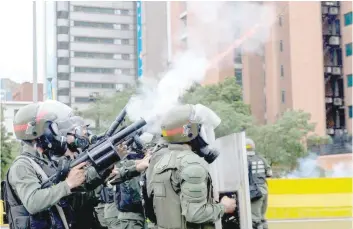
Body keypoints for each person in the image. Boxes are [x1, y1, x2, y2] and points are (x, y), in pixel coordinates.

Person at [146, 104, 236, 229]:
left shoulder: (162, 160)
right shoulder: (192, 164)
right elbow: (195, 214)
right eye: (201, 129)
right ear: (189, 131)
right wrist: (223, 207)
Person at [3, 101, 88, 229]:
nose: (57, 134)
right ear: (36, 132)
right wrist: (67, 185)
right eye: (52, 128)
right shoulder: (22, 166)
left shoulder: (45, 162)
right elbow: (33, 202)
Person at [246, 138, 272, 229]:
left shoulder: (244, 159)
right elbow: (269, 173)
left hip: (254, 192)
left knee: (255, 220)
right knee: (262, 217)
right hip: (264, 189)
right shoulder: (261, 158)